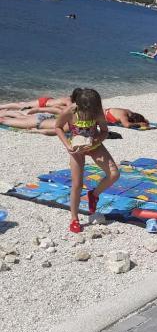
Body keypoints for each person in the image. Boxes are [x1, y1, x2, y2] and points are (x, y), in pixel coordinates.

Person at [54, 88, 120, 233]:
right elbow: (58, 127)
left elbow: (104, 132)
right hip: (76, 148)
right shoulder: (70, 111)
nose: (89, 113)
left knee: (114, 174)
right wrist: (68, 145)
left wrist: (94, 142)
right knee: (77, 184)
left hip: (94, 145)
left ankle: (94, 194)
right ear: (79, 106)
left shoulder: (97, 111)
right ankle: (74, 218)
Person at [0, 95, 72, 112]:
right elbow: (70, 109)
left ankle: (6, 108)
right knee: (20, 106)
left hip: (48, 101)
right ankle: (1, 106)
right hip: (44, 103)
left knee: (25, 105)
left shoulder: (67, 98)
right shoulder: (68, 101)